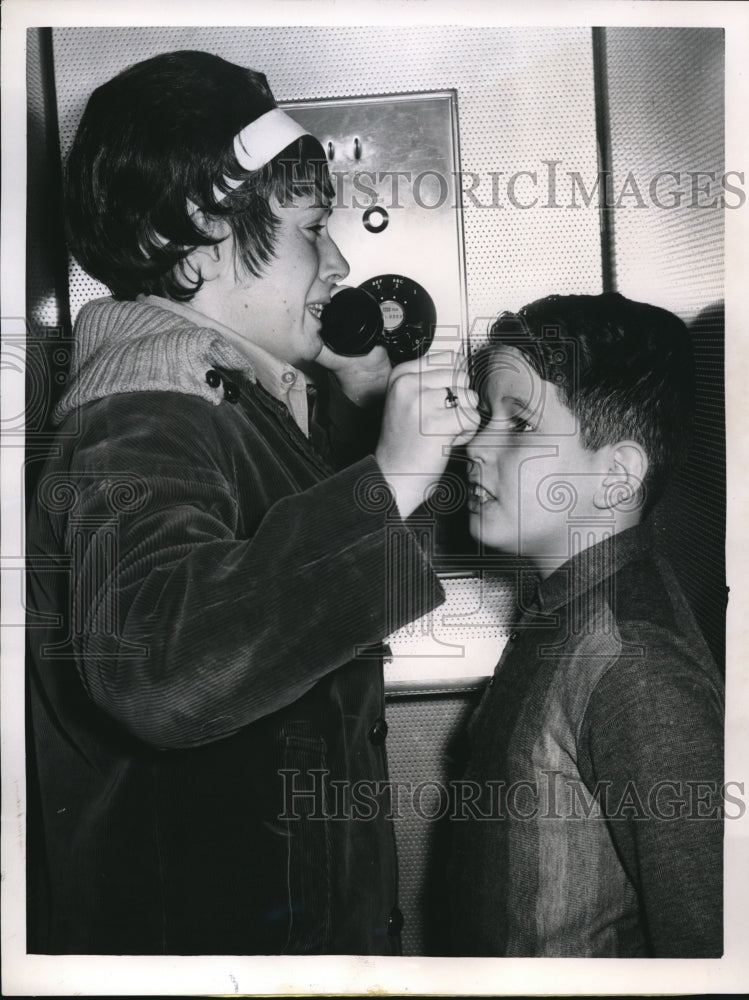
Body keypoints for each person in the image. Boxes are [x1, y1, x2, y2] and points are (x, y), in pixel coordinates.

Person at [25, 49, 478, 955]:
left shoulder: (226, 404)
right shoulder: (143, 414)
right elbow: (161, 669)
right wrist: (387, 480)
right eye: (313, 229)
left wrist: (363, 423)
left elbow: (280, 585)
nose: (338, 262)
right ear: (202, 232)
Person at [446, 293, 724, 957]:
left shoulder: (636, 666)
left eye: (519, 425)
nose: (474, 446)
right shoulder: (562, 615)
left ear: (616, 475)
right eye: (486, 417)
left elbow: (709, 950)